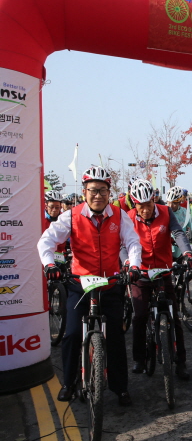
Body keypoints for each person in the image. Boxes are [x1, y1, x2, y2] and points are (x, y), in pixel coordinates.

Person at [38, 166, 142, 405]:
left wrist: (134, 265)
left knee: (115, 337)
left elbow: (133, 242)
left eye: (103, 190)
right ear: (84, 192)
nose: (98, 195)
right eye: (93, 190)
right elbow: (47, 240)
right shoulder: (71, 216)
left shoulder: (118, 215)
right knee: (72, 334)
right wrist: (49, 264)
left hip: (110, 284)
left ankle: (120, 387)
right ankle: (69, 383)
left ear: (109, 192)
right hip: (80, 285)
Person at [125, 180, 192, 379]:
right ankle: (139, 358)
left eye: (148, 205)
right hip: (141, 274)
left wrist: (187, 252)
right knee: (138, 316)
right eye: (140, 206)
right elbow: (123, 245)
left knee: (174, 316)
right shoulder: (129, 218)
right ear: (134, 204)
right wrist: (128, 263)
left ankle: (181, 362)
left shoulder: (165, 211)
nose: (145, 210)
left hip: (163, 272)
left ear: (154, 200)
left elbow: (178, 232)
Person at [166, 186, 192, 257]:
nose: (170, 206)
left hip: (180, 250)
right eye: (169, 202)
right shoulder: (163, 211)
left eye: (174, 203)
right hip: (166, 249)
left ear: (179, 202)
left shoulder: (184, 212)